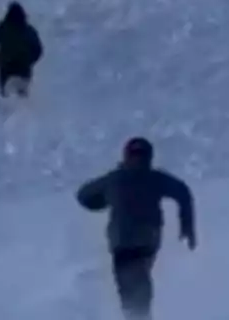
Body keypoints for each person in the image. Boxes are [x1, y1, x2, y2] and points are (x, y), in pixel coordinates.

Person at [76, 137, 196, 320]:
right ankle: (140, 313)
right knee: (139, 278)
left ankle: (138, 315)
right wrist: (187, 225)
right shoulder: (155, 178)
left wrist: (105, 199)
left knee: (130, 285)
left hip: (124, 242)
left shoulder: (115, 178)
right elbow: (183, 192)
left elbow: (84, 196)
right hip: (148, 239)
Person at [0, 1, 43, 96]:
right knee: (21, 97)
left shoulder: (2, 28)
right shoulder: (28, 30)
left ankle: (7, 108)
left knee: (7, 97)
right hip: (23, 69)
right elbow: (38, 49)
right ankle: (22, 107)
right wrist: (29, 61)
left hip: (6, 69)